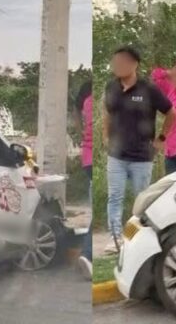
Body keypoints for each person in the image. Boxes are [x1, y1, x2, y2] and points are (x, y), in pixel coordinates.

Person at [103, 46, 176, 254]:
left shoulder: (149, 89)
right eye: (115, 62)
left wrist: (161, 138)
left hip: (141, 156)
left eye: (123, 61)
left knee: (140, 199)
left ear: (135, 64)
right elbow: (107, 112)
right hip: (116, 156)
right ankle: (115, 238)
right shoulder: (111, 87)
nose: (117, 66)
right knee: (114, 196)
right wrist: (106, 137)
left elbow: (172, 113)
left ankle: (136, 237)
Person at [151, 60, 176, 174]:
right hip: (170, 148)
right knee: (171, 186)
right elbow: (155, 76)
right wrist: (169, 72)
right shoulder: (172, 89)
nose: (174, 78)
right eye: (173, 76)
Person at [76, 80, 93, 280]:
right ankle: (87, 255)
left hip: (86, 159)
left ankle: (86, 255)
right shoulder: (97, 100)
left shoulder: (86, 102)